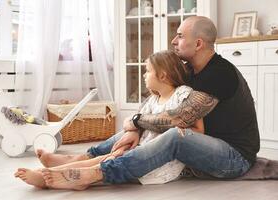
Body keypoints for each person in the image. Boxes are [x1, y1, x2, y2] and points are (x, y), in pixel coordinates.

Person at [19, 15, 260, 190]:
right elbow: (157, 103)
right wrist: (136, 127)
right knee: (145, 128)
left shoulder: (220, 73)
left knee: (175, 134)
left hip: (234, 157)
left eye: (180, 36)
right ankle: (81, 159)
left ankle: (95, 173)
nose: (174, 40)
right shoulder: (189, 70)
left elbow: (178, 118)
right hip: (208, 144)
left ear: (198, 44)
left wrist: (137, 122)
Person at [15, 50, 204, 188]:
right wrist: (131, 136)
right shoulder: (153, 99)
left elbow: (198, 130)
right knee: (111, 155)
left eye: (148, 71)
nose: (144, 75)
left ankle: (60, 176)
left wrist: (178, 132)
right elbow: (135, 122)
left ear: (163, 75)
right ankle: (59, 172)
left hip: (158, 161)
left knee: (108, 160)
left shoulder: (183, 95)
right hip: (139, 150)